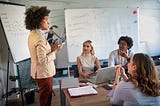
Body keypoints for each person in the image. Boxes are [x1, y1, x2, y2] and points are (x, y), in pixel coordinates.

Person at [25, 6, 62, 106]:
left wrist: (51, 48)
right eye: (46, 19)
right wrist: (55, 51)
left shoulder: (33, 34)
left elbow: (41, 52)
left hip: (39, 72)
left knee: (45, 96)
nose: (48, 22)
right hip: (44, 73)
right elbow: (43, 60)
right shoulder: (39, 38)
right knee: (45, 99)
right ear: (39, 21)